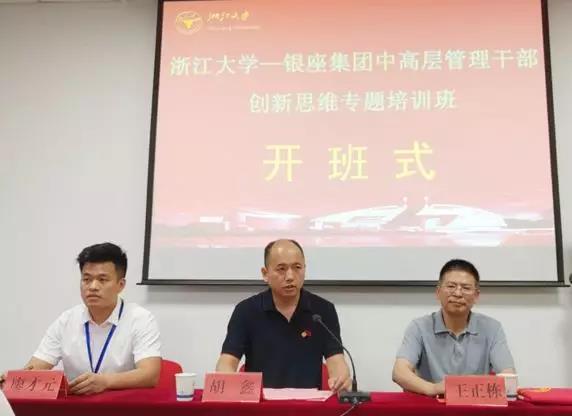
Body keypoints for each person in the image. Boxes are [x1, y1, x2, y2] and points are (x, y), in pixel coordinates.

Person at [1, 243, 161, 395]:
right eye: (87, 279)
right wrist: (15, 379)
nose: (93, 287)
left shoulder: (140, 319)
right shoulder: (67, 320)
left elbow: (149, 374)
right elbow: (36, 367)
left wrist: (105, 381)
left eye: (102, 280)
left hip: (121, 406)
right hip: (75, 407)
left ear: (121, 285)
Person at [215, 239, 351, 392]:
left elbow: (336, 361)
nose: (290, 276)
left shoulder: (322, 310)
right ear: (265, 274)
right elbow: (227, 362)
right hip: (261, 402)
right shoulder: (246, 311)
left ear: (304, 269)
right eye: (281, 269)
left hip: (308, 402)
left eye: (297, 267)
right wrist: (227, 381)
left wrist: (341, 378)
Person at [392, 259, 515, 396]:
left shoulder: (492, 328)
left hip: (474, 405)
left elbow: (508, 377)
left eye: (466, 288)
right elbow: (399, 372)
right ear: (438, 292)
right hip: (431, 404)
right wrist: (434, 389)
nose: (457, 293)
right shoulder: (419, 327)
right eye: (451, 286)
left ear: (476, 296)